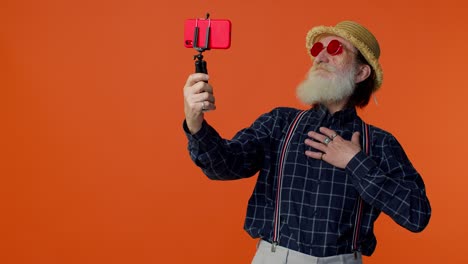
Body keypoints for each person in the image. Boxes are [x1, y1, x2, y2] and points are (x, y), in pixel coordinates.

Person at [182, 20, 431, 264]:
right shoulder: (280, 123)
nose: (320, 57)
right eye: (317, 50)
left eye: (334, 49)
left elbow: (416, 215)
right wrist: (195, 122)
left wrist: (355, 162)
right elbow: (224, 166)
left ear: (361, 72)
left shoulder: (379, 143)